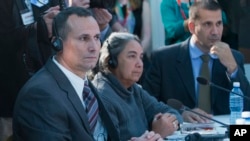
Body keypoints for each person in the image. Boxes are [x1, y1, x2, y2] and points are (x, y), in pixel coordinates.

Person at [12, 7, 163, 141]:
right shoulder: (40, 95)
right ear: (57, 43)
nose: (93, 47)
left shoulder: (87, 86)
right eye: (84, 38)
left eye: (96, 38)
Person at [142, 0, 250, 121]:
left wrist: (233, 68)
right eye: (208, 24)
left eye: (219, 24)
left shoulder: (234, 57)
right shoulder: (164, 58)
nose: (215, 32)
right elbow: (146, 106)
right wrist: (179, 115)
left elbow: (247, 105)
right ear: (192, 27)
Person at [90, 32, 182, 140]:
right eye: (132, 56)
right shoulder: (103, 95)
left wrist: (168, 123)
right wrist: (155, 134)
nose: (140, 64)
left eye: (141, 57)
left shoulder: (135, 89)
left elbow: (172, 113)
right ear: (111, 60)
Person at [111, 0, 152, 84]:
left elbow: (147, 37)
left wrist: (136, 55)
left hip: (140, 56)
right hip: (116, 59)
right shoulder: (108, 4)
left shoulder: (142, 3)